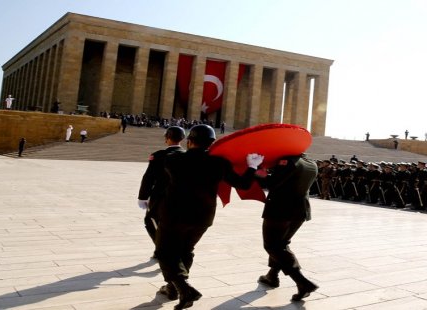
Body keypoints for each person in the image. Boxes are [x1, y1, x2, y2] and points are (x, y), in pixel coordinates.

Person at [155, 124, 264, 309]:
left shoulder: (173, 159)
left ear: (189, 142)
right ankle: (175, 289)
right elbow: (243, 184)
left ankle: (184, 289)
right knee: (185, 251)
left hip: (175, 214)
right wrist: (252, 166)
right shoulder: (220, 163)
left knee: (165, 253)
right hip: (202, 217)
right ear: (211, 143)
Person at [256, 153, 319, 301]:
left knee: (272, 246)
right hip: (300, 211)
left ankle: (302, 282)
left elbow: (270, 183)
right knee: (281, 243)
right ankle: (272, 275)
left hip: (281, 209)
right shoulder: (311, 162)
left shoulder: (288, 162)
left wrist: (257, 170)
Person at [137, 126, 186, 261]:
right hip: (180, 198)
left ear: (167, 139)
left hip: (160, 198)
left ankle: (161, 250)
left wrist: (142, 197)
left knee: (150, 221)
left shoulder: (159, 156)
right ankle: (170, 250)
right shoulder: (187, 156)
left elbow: (149, 177)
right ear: (182, 139)